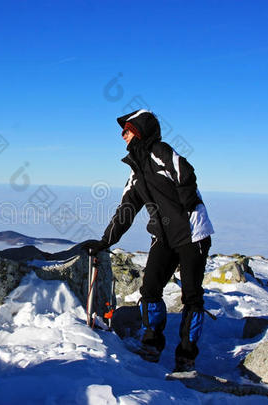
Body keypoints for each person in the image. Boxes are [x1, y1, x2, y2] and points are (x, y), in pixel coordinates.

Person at [83, 109, 214, 372]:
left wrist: (186, 207)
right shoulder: (136, 172)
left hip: (192, 234)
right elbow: (126, 210)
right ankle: (152, 344)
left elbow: (185, 173)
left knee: (192, 297)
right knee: (150, 290)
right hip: (163, 236)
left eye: (126, 130)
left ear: (139, 130)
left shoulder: (160, 152)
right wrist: (105, 241)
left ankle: (186, 356)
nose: (123, 136)